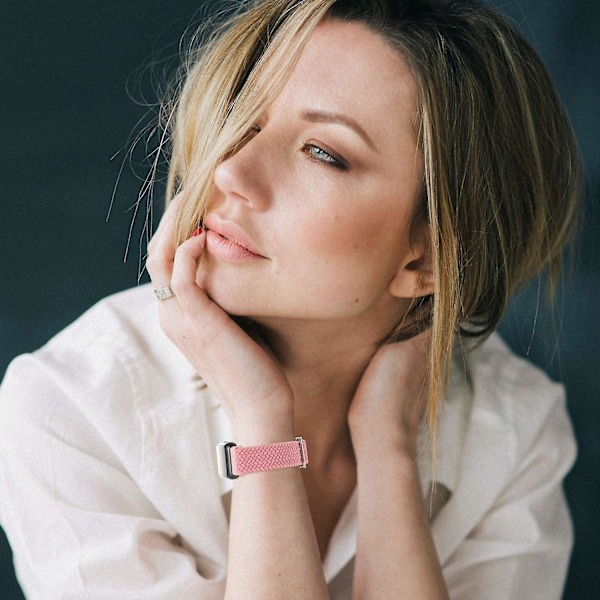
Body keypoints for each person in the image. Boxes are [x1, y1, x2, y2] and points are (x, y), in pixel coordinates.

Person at [0, 0, 582, 598]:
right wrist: (262, 422)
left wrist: (388, 451)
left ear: (427, 260)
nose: (230, 172)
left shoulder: (513, 432)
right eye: (242, 118)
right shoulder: (73, 408)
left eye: (322, 153)